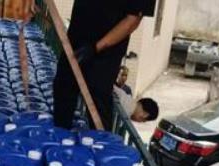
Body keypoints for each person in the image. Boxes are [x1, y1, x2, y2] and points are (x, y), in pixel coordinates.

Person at [53, 0, 156, 131]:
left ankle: (99, 141)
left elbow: (132, 21)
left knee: (97, 109)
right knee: (63, 91)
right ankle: (58, 138)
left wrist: (95, 48)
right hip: (74, 45)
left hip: (104, 58)